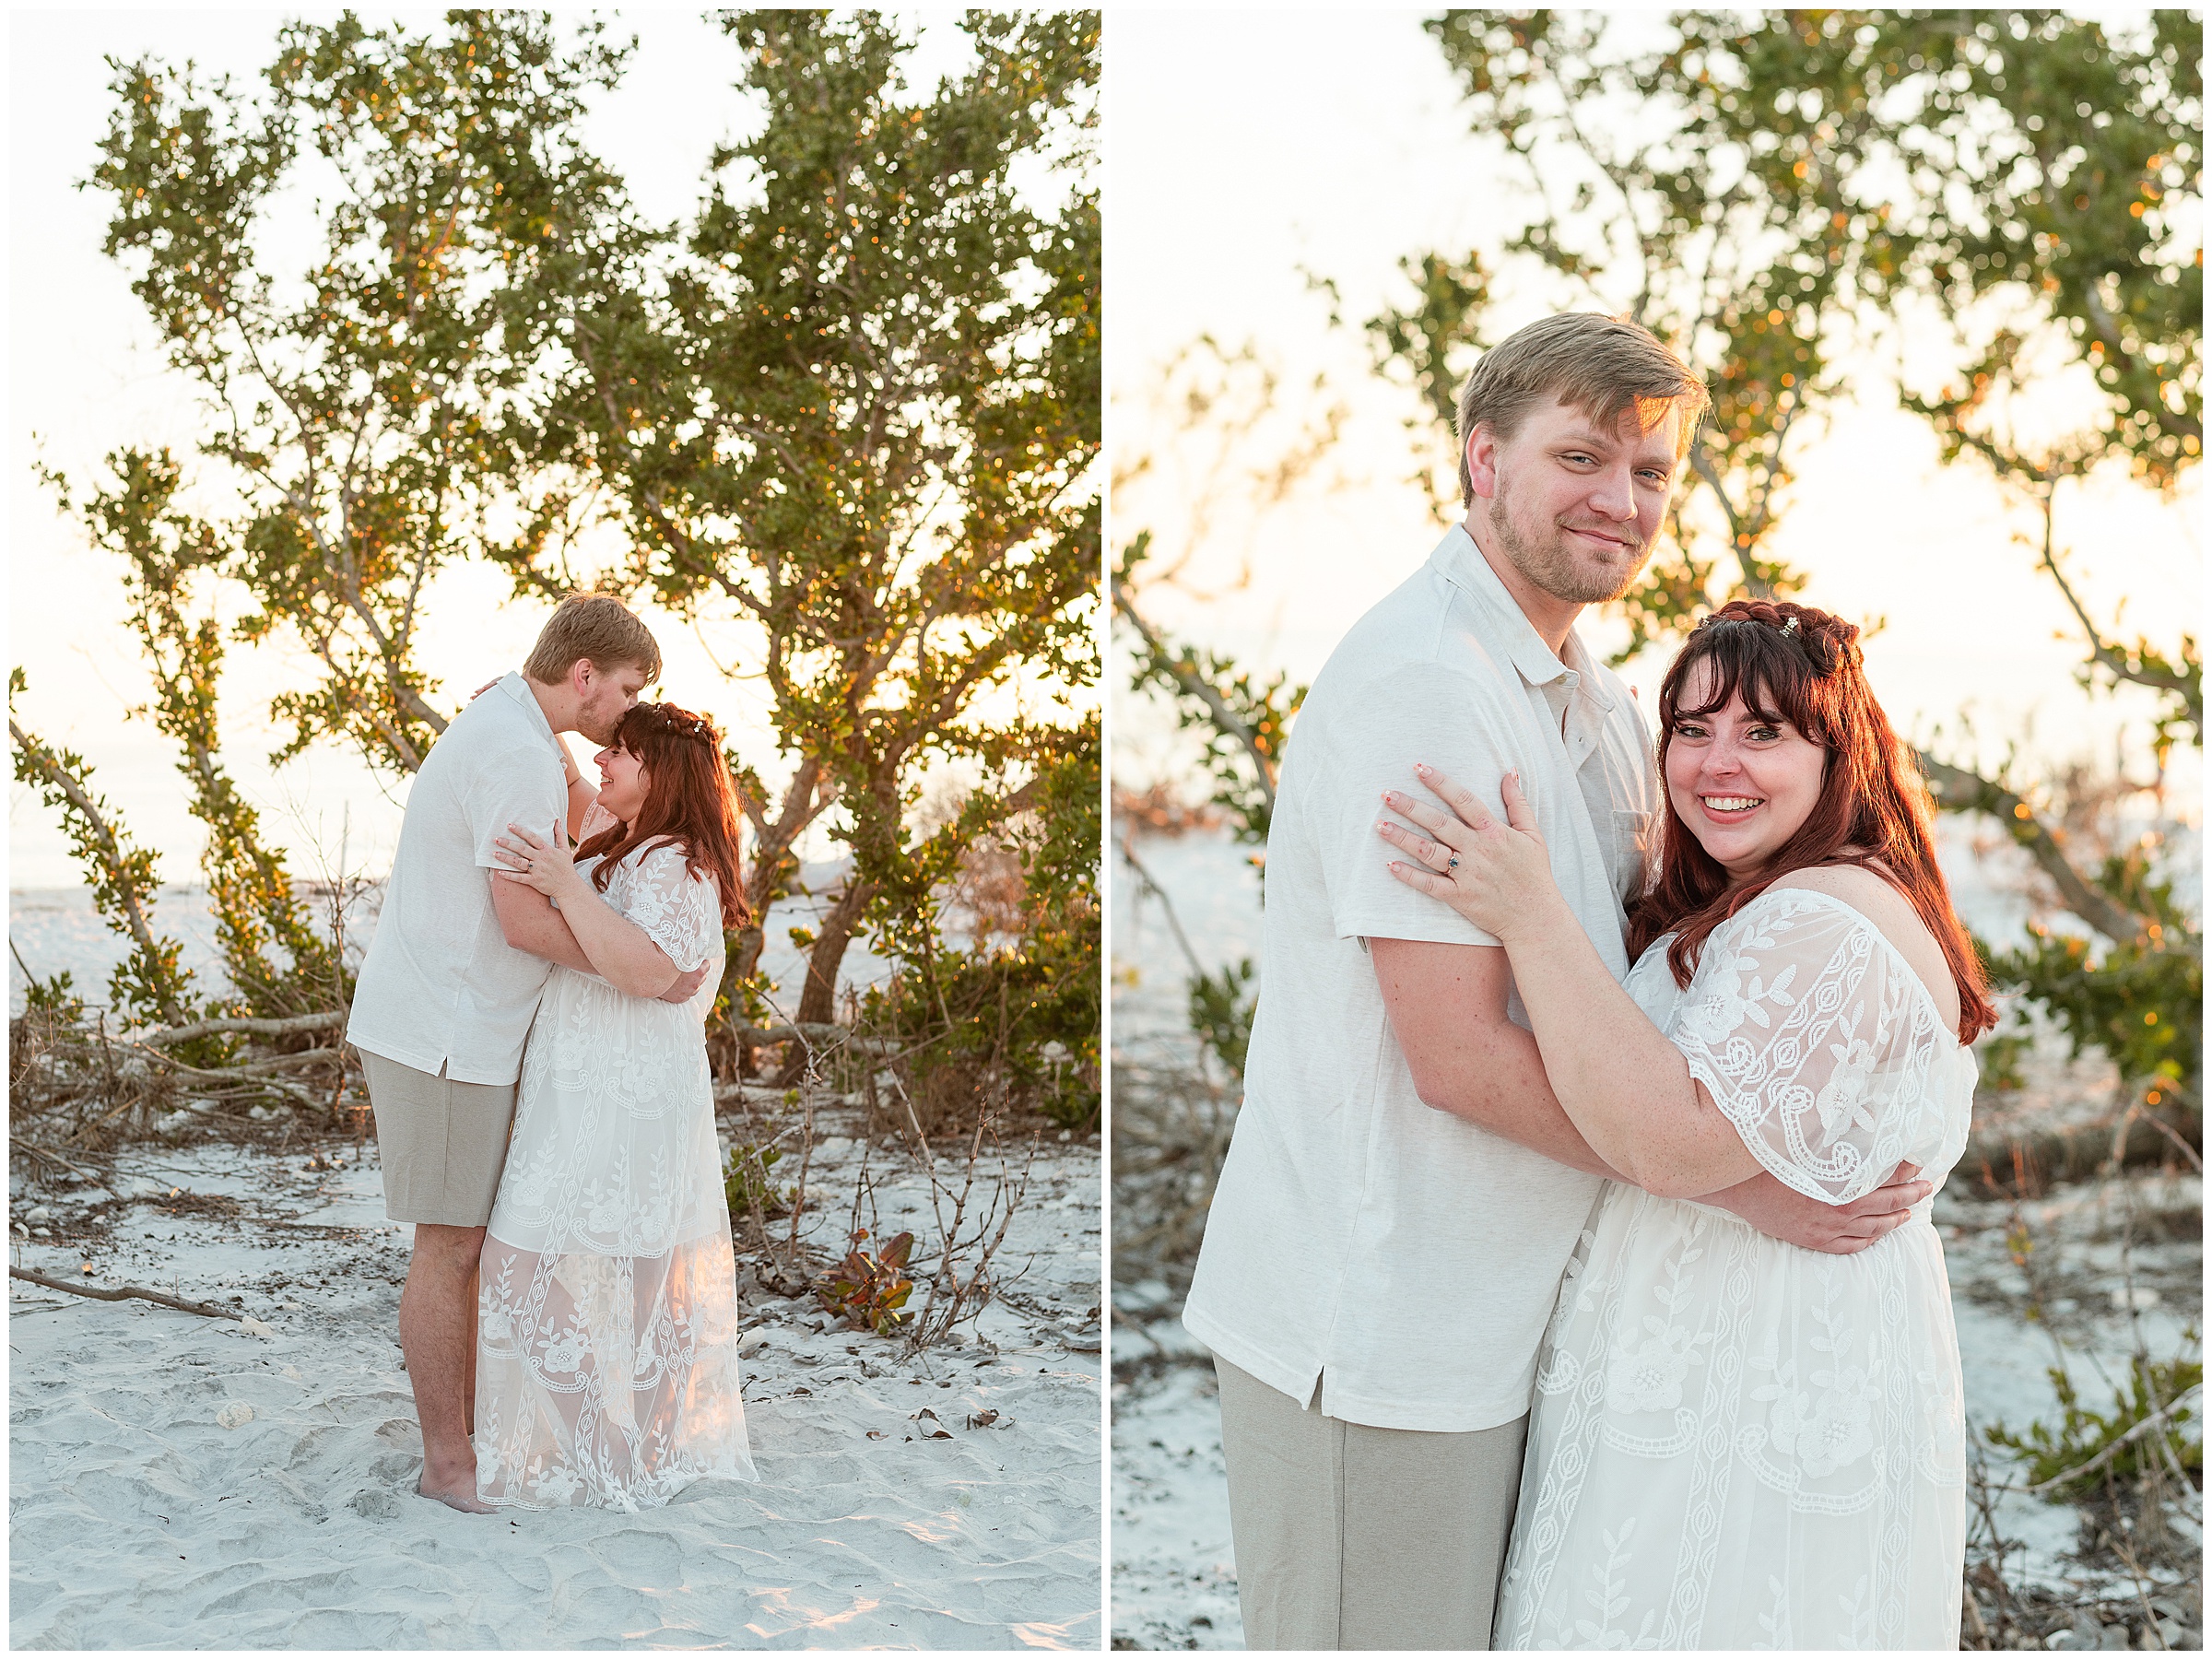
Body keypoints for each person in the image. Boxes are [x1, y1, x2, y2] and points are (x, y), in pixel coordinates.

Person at [1178, 313, 1932, 1650]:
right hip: (1384, 1330)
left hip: (1502, 1322)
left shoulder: (1570, 686)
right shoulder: (1432, 686)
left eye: (1650, 473)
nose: (1621, 501)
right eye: (1581, 456)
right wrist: (1743, 1184)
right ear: (1481, 459)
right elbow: (1457, 1054)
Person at [1376, 599, 1992, 1647]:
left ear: (1837, 755)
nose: (1719, 763)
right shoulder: (1775, 896)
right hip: (1709, 1361)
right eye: (1692, 729)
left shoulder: (1827, 918)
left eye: (1764, 732)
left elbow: (1668, 1137)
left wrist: (1529, 913)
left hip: (1756, 1382)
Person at [345, 594, 705, 1513]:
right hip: (445, 1036)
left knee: (463, 1244)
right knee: (451, 1245)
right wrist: (648, 973)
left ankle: (460, 1446)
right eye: (625, 690)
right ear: (584, 677)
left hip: (469, 1033)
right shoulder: (511, 747)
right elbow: (519, 918)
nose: (628, 711)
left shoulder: (516, 729)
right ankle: (449, 1464)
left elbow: (577, 831)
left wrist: (648, 964)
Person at [476, 699, 758, 1509]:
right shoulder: (625, 835)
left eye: (621, 755)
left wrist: (568, 882)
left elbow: (644, 970)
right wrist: (516, 709)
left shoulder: (680, 861)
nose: (604, 764)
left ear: (659, 774)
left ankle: (632, 1447)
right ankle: (625, 1443)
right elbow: (569, 778)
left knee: (620, 1268)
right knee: (615, 1263)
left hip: (630, 1089)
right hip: (584, 1081)